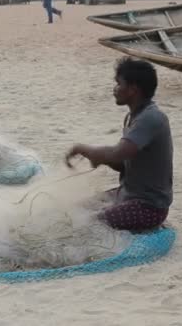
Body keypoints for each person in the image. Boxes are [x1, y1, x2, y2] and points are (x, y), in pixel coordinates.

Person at [65, 57, 173, 232]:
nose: (114, 89)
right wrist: (102, 159)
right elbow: (124, 165)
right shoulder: (133, 117)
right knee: (76, 209)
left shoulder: (151, 118)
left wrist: (84, 149)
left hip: (148, 206)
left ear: (133, 89)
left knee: (86, 223)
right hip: (127, 194)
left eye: (118, 84)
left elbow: (118, 153)